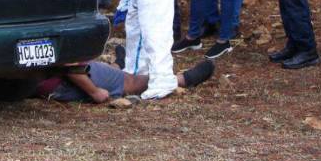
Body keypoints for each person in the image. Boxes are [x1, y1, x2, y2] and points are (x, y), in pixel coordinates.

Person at [33, 54, 215, 103]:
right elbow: (69, 62)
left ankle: (116, 65)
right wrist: (94, 92)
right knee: (130, 82)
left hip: (41, 85)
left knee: (96, 66)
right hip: (61, 82)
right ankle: (182, 80)